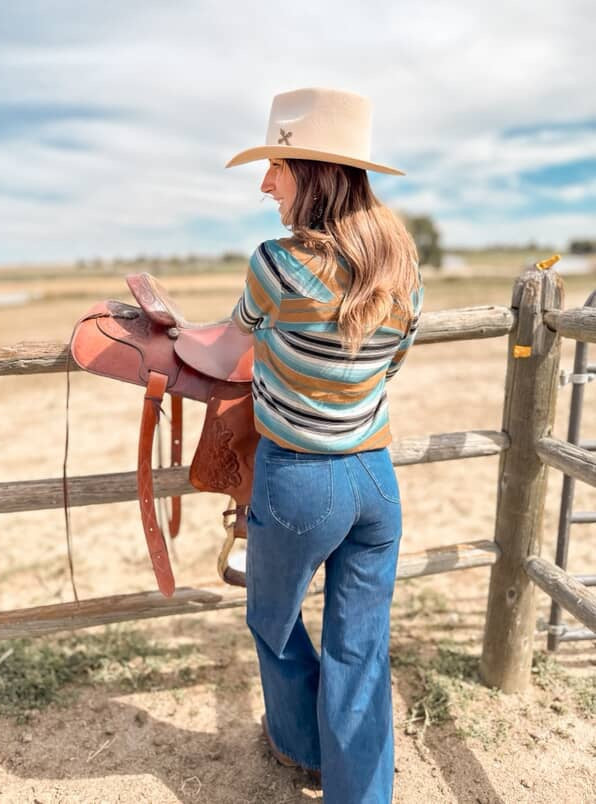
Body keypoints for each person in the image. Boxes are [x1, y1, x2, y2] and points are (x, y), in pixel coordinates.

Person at [225, 87, 423, 804]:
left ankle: (301, 748)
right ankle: (359, 793)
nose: (265, 182)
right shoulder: (403, 268)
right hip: (374, 478)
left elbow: (231, 342)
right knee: (360, 651)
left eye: (275, 164)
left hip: (300, 481)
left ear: (309, 170)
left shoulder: (274, 265)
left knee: (270, 620)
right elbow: (391, 366)